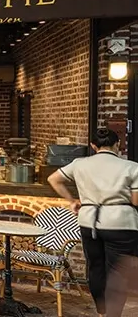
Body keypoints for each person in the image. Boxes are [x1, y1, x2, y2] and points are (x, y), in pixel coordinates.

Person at [48, 128, 138, 317]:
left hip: (89, 222)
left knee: (95, 267)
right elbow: (136, 201)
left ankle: (101, 312)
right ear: (118, 145)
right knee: (118, 273)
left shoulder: (80, 164)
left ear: (93, 146)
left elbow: (53, 179)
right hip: (120, 223)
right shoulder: (132, 167)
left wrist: (72, 201)